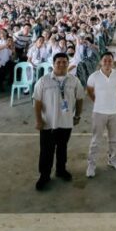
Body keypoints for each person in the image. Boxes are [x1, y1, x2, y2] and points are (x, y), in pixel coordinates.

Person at [33, 52, 84, 191]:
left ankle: (61, 170)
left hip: (66, 122)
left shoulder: (74, 80)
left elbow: (79, 99)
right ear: (53, 64)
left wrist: (77, 116)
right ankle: (44, 175)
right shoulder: (43, 81)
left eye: (64, 62)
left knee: (62, 148)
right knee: (46, 151)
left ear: (68, 63)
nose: (61, 64)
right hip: (48, 123)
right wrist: (38, 120)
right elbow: (37, 102)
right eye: (58, 62)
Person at [85, 51, 116, 178]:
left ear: (113, 62)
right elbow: (90, 92)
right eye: (105, 60)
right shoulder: (94, 76)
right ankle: (91, 164)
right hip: (99, 112)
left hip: (114, 112)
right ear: (100, 62)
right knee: (96, 140)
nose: (107, 62)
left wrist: (110, 100)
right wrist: (99, 102)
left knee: (114, 139)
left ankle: (113, 160)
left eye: (110, 60)